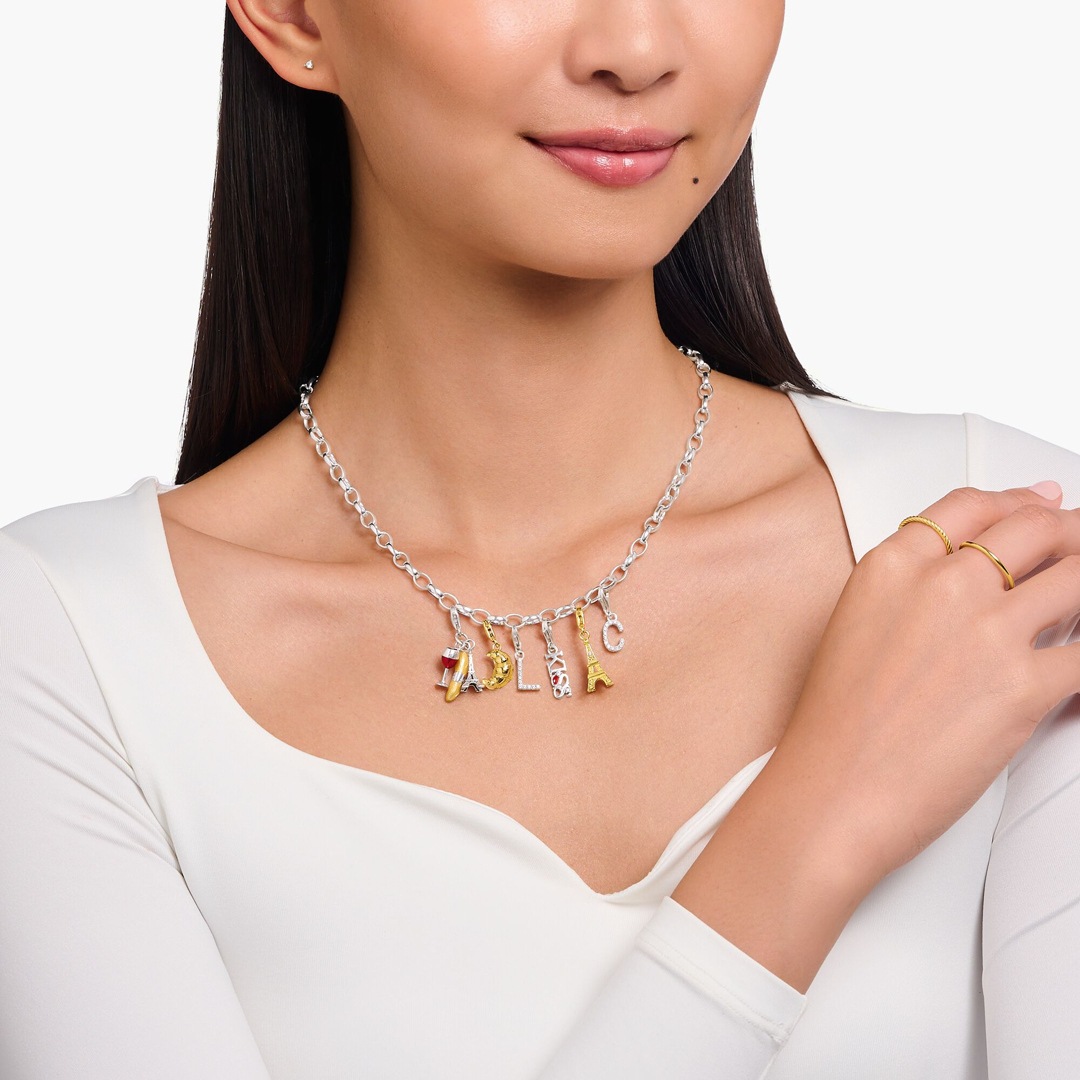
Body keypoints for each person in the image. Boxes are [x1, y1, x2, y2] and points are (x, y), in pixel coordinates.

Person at [2, 2, 1079, 1077]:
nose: (637, 50)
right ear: (293, 14)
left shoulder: (1004, 552)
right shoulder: (68, 647)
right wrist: (815, 826)